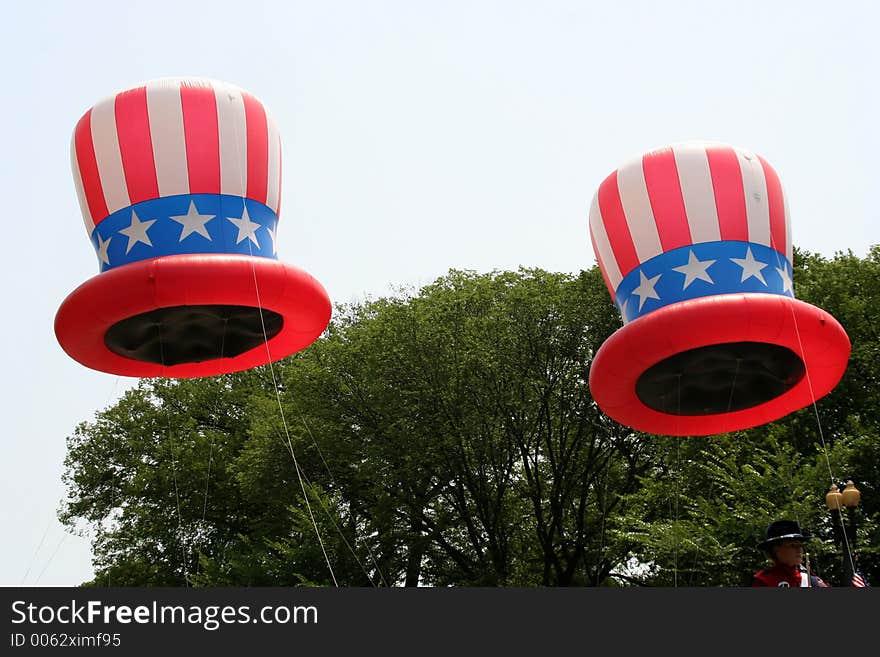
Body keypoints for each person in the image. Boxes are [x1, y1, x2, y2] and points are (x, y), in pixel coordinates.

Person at [751, 520, 830, 587]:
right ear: (775, 549)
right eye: (792, 545)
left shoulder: (813, 581)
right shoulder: (764, 581)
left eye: (800, 545)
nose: (799, 549)